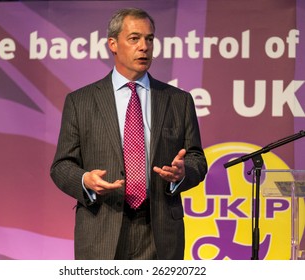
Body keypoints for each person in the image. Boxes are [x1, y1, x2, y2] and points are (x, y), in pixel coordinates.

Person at [50, 7, 207, 260]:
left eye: (149, 39)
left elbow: (197, 159)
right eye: (134, 39)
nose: (144, 47)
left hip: (160, 232)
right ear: (113, 44)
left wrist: (182, 173)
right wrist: (85, 181)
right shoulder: (81, 101)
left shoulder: (178, 101)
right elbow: (61, 165)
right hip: (101, 227)